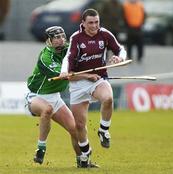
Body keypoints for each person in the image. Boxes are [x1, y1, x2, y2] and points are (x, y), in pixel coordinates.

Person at [60, 9, 127, 167]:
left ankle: (104, 130)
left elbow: (120, 49)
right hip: (78, 83)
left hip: (99, 79)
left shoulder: (105, 34)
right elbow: (69, 57)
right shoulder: (76, 38)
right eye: (90, 22)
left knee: (108, 98)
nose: (94, 25)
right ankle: (85, 156)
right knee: (79, 126)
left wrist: (119, 58)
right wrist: (64, 71)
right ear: (83, 23)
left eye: (96, 22)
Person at [25, 26, 83, 167]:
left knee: (75, 129)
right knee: (47, 110)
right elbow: (65, 76)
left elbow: (83, 53)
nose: (61, 40)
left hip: (55, 97)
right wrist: (84, 75)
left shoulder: (69, 49)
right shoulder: (45, 57)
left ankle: (82, 161)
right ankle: (41, 148)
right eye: (56, 37)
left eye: (62, 36)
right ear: (49, 41)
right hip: (36, 97)